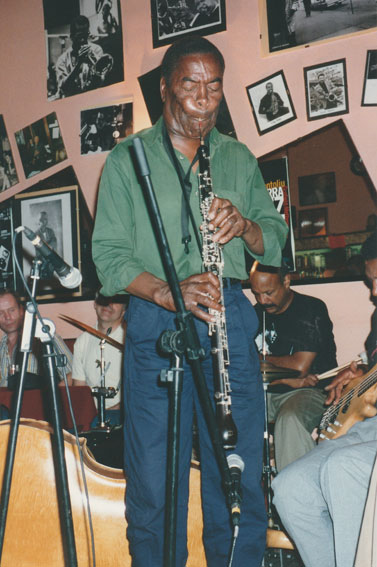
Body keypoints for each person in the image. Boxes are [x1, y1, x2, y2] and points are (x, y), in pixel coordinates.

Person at [92, 36, 288, 567]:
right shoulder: (128, 159)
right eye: (189, 85)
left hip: (227, 314)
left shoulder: (238, 156)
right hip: (158, 321)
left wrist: (245, 225)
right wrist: (164, 289)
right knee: (155, 480)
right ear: (164, 89)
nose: (203, 100)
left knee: (239, 473)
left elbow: (276, 236)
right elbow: (107, 258)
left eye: (214, 87)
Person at [272, 230, 377, 567]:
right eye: (370, 281)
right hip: (366, 427)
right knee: (289, 488)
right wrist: (358, 374)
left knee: (341, 469)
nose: (373, 293)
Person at [250, 262, 337, 471]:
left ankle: (299, 497)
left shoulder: (310, 309)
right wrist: (285, 378)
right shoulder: (255, 314)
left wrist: (261, 360)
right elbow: (241, 362)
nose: (263, 300)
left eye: (269, 292)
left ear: (286, 281)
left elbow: (299, 367)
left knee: (290, 420)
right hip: (266, 392)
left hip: (311, 392)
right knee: (227, 413)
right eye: (256, 294)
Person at [72, 294, 127, 426]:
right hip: (91, 414)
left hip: (123, 412)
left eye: (116, 301)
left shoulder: (131, 339)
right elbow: (79, 391)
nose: (108, 303)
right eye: (104, 298)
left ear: (124, 310)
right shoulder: (82, 341)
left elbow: (139, 391)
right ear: (95, 304)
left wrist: (112, 410)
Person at [0, 289, 72, 388]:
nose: (7, 317)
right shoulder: (1, 347)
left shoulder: (44, 337)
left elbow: (73, 374)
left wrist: (53, 398)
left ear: (22, 310)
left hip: (37, 402)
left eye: (12, 310)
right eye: (1, 313)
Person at [55, 15, 104, 98]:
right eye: (80, 37)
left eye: (85, 36)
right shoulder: (62, 60)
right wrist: (79, 64)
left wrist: (93, 66)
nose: (83, 40)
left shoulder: (96, 50)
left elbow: (101, 81)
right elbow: (64, 88)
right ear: (72, 37)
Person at [35, 210, 57, 279]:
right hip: (42, 261)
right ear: (39, 221)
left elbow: (54, 241)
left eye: (46, 219)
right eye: (43, 219)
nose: (45, 221)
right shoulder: (36, 234)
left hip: (51, 261)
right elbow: (38, 249)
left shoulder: (50, 231)